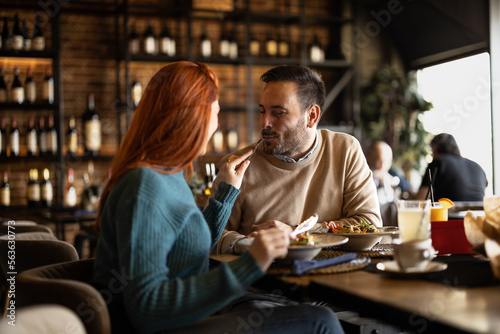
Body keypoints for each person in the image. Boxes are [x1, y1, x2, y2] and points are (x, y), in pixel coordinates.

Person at [92, 61, 344, 334]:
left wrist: (225, 193)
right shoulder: (144, 186)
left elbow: (191, 250)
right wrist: (253, 262)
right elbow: (147, 309)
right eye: (214, 113)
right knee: (322, 321)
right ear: (190, 117)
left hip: (190, 319)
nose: (216, 125)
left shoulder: (169, 174)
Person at [211, 65, 382, 255]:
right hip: (262, 281)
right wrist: (247, 244)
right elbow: (208, 238)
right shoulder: (236, 166)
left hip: (336, 277)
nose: (265, 122)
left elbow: (370, 224)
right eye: (262, 110)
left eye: (278, 112)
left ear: (311, 116)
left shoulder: (345, 150)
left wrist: (298, 232)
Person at [415, 133, 488, 202]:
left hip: (447, 214)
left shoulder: (437, 163)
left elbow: (421, 201)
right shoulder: (478, 167)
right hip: (478, 214)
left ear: (435, 146)